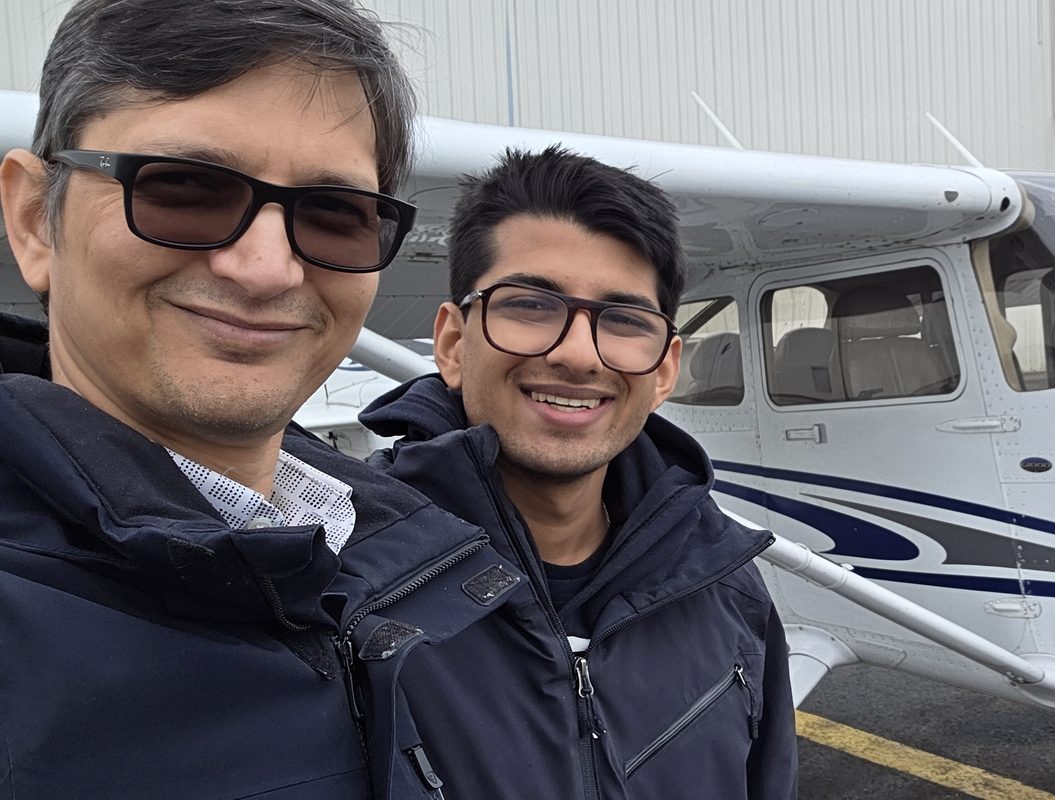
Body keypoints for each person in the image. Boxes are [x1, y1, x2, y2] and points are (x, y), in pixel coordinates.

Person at [0, 1, 523, 797]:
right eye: (183, 188)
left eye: (335, 214)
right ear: (38, 219)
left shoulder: (432, 560)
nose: (267, 268)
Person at [359, 145, 797, 799]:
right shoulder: (341, 587)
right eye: (531, 305)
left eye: (623, 320)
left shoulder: (730, 590)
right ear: (452, 343)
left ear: (665, 369)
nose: (575, 354)